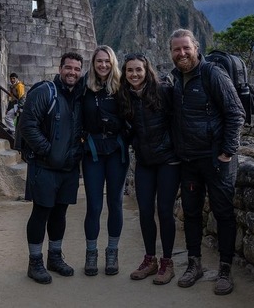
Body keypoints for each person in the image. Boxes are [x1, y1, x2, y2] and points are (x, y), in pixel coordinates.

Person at [168, 29, 245, 295]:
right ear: (171, 53)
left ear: (196, 48)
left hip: (216, 159)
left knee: (223, 213)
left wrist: (227, 152)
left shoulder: (213, 74)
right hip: (189, 160)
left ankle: (224, 269)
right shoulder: (175, 79)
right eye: (176, 49)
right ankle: (194, 264)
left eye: (186, 48)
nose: (181, 53)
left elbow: (236, 113)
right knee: (191, 213)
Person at [18, 52, 85, 284]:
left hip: (68, 167)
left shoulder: (78, 96)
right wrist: (48, 151)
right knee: (41, 212)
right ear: (60, 68)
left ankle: (54, 257)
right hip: (44, 165)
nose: (72, 72)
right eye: (68, 68)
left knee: (60, 213)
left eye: (77, 69)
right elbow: (27, 125)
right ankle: (35, 261)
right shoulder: (46, 92)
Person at [118, 53, 181, 285]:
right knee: (145, 211)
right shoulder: (125, 97)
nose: (134, 74)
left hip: (168, 161)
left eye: (139, 70)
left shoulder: (162, 91)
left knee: (164, 211)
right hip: (145, 162)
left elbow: (178, 119)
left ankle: (167, 262)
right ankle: (150, 259)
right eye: (130, 70)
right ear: (124, 73)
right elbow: (129, 128)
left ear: (146, 71)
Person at [80, 45, 129, 276]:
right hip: (93, 152)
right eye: (99, 61)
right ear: (93, 63)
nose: (103, 65)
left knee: (115, 203)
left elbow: (133, 115)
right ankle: (91, 253)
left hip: (116, 151)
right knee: (94, 205)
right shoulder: (84, 87)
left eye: (107, 61)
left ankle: (112, 252)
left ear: (113, 63)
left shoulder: (121, 87)